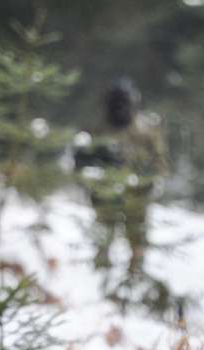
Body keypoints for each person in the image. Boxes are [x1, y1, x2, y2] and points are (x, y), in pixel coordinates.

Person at [75, 78, 168, 278]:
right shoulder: (97, 130)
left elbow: (159, 163)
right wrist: (94, 180)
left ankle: (136, 275)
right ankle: (100, 276)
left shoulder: (146, 131)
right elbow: (83, 164)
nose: (119, 108)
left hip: (137, 195)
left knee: (137, 237)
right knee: (103, 237)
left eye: (123, 102)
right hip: (106, 195)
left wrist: (145, 179)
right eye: (115, 102)